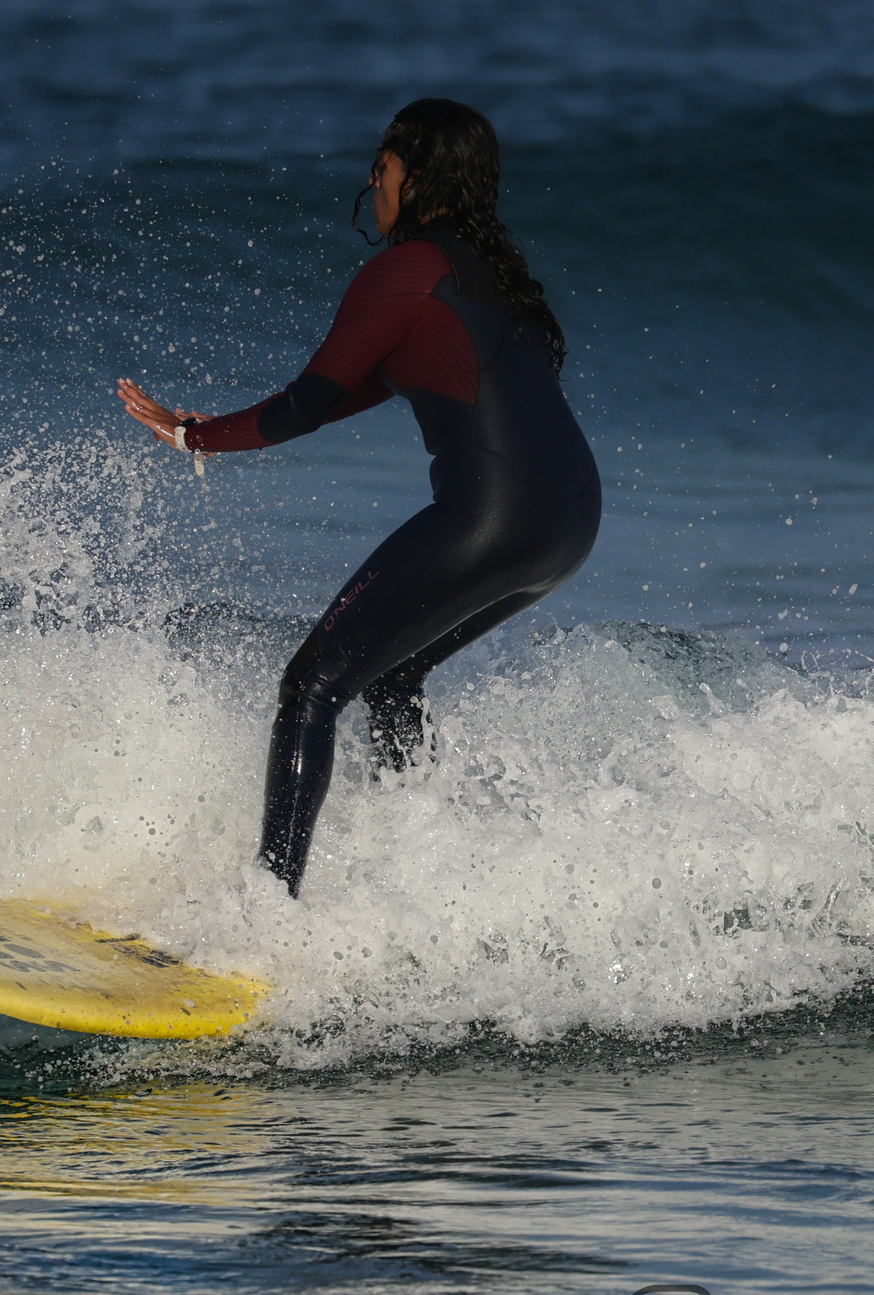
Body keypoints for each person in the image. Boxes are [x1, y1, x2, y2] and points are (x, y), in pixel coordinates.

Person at [117, 97, 601, 898]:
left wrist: (192, 438)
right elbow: (358, 386)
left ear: (419, 177)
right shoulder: (486, 275)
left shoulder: (405, 269)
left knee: (310, 686)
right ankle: (422, 871)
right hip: (569, 520)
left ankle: (266, 910)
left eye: (382, 167)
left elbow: (306, 405)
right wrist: (215, 426)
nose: (372, 184)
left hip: (494, 513)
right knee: (390, 676)